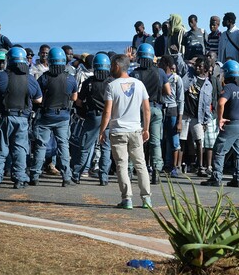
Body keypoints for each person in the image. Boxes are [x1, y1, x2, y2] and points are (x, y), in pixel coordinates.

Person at [99, 54, 152, 209]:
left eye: (111, 65)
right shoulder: (139, 84)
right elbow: (147, 109)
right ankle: (146, 198)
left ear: (117, 65)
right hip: (136, 130)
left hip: (118, 131)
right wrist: (146, 128)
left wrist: (102, 130)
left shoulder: (111, 86)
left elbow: (107, 112)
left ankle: (127, 198)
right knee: (140, 164)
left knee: (121, 165)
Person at [0, 47, 42, 189]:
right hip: (22, 118)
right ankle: (19, 179)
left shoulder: (0, 76)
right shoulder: (30, 79)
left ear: (8, 60)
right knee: (20, 149)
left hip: (2, 118)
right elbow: (39, 99)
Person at [29, 48, 78, 187]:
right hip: (63, 116)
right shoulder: (70, 78)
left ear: (49, 61)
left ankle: (35, 175)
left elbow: (37, 97)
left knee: (41, 145)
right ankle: (66, 178)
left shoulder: (44, 78)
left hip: (46, 115)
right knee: (63, 146)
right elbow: (74, 97)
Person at [201, 60, 239, 187]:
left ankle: (216, 177)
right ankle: (238, 178)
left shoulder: (228, 87)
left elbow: (221, 103)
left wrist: (220, 118)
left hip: (231, 123)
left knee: (219, 150)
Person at [131, 43, 170, 184]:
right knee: (155, 142)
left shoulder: (134, 73)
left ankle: (130, 170)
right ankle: (156, 171)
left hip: (139, 109)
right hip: (155, 108)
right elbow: (168, 91)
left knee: (135, 141)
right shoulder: (160, 72)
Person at [72, 53, 113, 186]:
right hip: (109, 117)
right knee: (106, 148)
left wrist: (84, 109)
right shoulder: (112, 82)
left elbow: (78, 101)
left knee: (85, 147)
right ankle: (104, 177)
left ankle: (77, 174)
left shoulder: (88, 82)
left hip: (93, 116)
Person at [178, 55, 213, 177]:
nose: (197, 68)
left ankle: (200, 167)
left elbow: (207, 104)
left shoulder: (208, 85)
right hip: (185, 113)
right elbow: (181, 65)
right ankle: (177, 166)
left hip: (197, 117)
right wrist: (177, 55)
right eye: (196, 65)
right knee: (181, 140)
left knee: (199, 141)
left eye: (200, 66)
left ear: (206, 68)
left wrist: (205, 121)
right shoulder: (189, 75)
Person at [159, 55, 184, 177]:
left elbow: (181, 100)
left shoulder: (176, 79)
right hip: (161, 108)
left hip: (173, 109)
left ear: (167, 65)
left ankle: (175, 167)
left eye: (162, 64)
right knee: (161, 138)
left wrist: (180, 120)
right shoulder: (159, 77)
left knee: (174, 140)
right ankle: (164, 164)